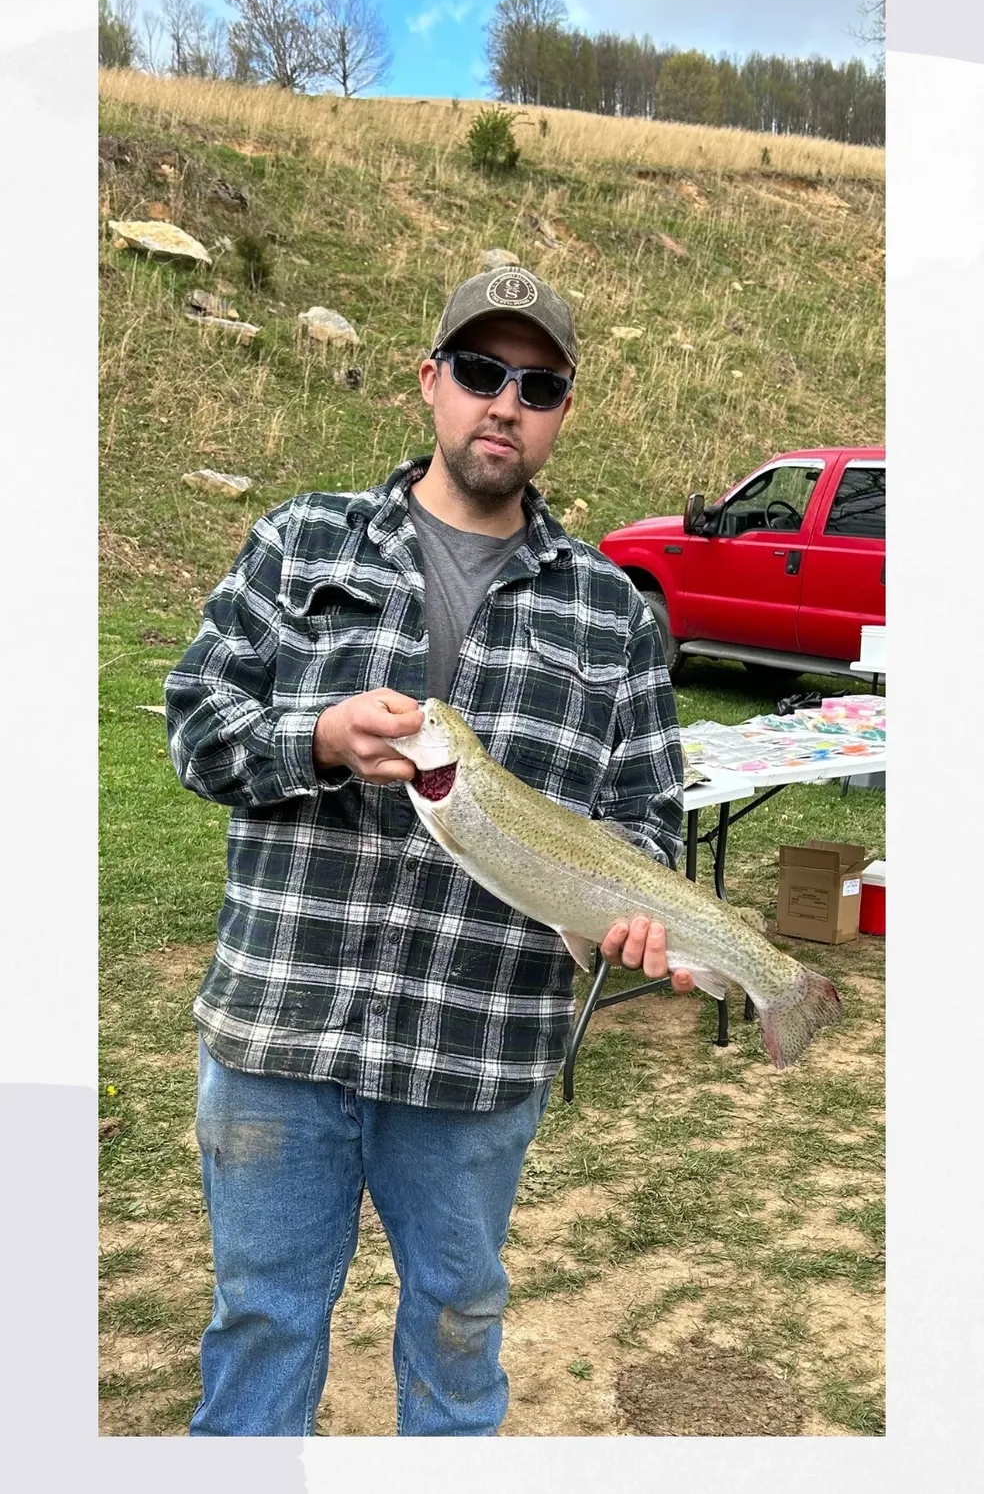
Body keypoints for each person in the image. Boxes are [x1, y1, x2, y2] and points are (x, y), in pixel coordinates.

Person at [165, 263, 692, 1439]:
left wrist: (631, 910)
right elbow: (197, 723)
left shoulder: (617, 610)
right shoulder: (301, 542)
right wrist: (314, 737)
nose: (503, 402)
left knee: (458, 1329)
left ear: (563, 412)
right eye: (479, 371)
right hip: (281, 1033)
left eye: (537, 383)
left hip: (478, 1053)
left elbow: (649, 815)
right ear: (431, 382)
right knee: (263, 1320)